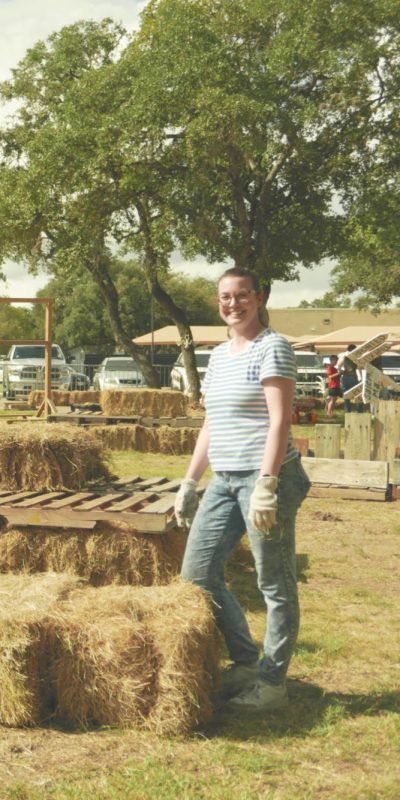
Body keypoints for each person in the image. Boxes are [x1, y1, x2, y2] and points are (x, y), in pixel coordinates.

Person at [175, 267, 311, 712]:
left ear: (259, 297)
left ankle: (273, 685)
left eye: (241, 296)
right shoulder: (218, 355)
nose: (232, 304)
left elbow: (279, 420)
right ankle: (247, 661)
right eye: (225, 297)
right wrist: (191, 481)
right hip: (225, 478)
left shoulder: (274, 348)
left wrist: (268, 484)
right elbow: (212, 423)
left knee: (274, 582)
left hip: (264, 477)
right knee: (197, 574)